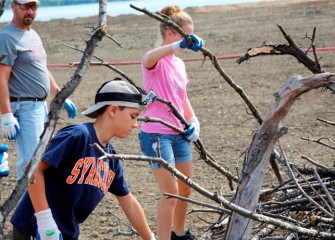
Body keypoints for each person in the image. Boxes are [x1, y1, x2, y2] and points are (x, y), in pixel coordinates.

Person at [10, 79, 156, 240]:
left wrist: (150, 238)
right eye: (133, 116)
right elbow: (33, 169)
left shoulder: (111, 158)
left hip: (65, 233)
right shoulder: (77, 136)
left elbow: (129, 202)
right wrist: (45, 223)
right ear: (113, 110)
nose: (136, 124)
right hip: (35, 229)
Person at [138, 4, 203, 240]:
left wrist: (193, 120)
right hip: (156, 134)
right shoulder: (155, 59)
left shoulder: (179, 63)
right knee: (171, 193)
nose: (189, 40)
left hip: (179, 132)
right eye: (185, 34)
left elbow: (182, 97)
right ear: (170, 33)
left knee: (185, 189)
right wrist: (178, 45)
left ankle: (179, 233)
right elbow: (149, 58)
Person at [0, 0, 77, 180]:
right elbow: (1, 78)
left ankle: (38, 204)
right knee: (30, 162)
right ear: (13, 6)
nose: (30, 11)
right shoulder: (7, 38)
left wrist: (59, 95)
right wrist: (6, 115)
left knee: (42, 158)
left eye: (34, 7)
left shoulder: (33, 34)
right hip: (24, 108)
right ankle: (25, 206)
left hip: (41, 106)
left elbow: (41, 69)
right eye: (25, 6)